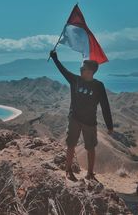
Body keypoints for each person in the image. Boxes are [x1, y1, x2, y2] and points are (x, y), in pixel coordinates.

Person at [49, 50, 113, 182]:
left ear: (90, 71)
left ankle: (90, 173)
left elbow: (105, 106)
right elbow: (63, 71)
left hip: (90, 122)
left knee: (90, 147)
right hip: (74, 119)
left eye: (83, 69)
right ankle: (68, 170)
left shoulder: (98, 86)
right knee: (71, 144)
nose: (80, 70)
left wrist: (109, 125)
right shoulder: (75, 80)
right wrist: (55, 58)